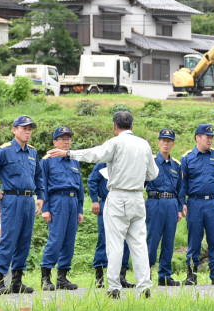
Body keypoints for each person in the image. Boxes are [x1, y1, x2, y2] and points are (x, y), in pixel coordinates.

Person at [47, 111, 158, 298]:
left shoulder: (115, 143)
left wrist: (69, 153)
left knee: (115, 243)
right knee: (138, 244)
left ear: (115, 127)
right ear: (132, 126)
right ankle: (144, 287)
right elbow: (153, 174)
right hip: (138, 196)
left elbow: (94, 154)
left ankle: (114, 287)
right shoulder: (144, 144)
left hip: (118, 196)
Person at [0, 115, 44, 295]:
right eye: (24, 128)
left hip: (28, 200)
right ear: (14, 130)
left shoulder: (33, 152)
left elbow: (39, 176)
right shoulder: (4, 151)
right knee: (8, 239)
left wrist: (41, 196)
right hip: (11, 199)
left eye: (30, 129)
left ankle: (17, 281)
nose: (27, 132)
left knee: (24, 241)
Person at [181, 123, 214, 286]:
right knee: (194, 239)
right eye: (207, 137)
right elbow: (182, 183)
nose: (210, 140)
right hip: (195, 203)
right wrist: (181, 203)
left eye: (212, 137)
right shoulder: (187, 157)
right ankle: (192, 274)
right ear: (198, 138)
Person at [40, 126, 84, 291]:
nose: (66, 142)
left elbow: (80, 187)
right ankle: (46, 277)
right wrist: (45, 208)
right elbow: (42, 185)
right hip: (57, 201)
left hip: (73, 202)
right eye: (62, 139)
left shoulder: (74, 160)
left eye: (68, 139)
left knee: (69, 240)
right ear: (54, 142)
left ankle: (62, 277)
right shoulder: (47, 160)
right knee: (56, 238)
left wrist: (80, 209)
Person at [146, 129, 184, 286]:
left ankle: (165, 275)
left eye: (169, 141)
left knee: (169, 240)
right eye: (163, 140)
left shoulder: (176, 165)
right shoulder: (151, 161)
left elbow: (181, 188)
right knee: (152, 239)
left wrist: (180, 208)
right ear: (158, 142)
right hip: (155, 202)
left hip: (172, 204)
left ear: (173, 144)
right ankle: (145, 273)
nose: (166, 144)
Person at [88, 162, 134, 289]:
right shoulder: (103, 163)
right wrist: (94, 200)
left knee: (125, 240)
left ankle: (121, 276)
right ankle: (100, 276)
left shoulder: (127, 161)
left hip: (125, 203)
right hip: (107, 202)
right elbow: (92, 181)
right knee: (105, 239)